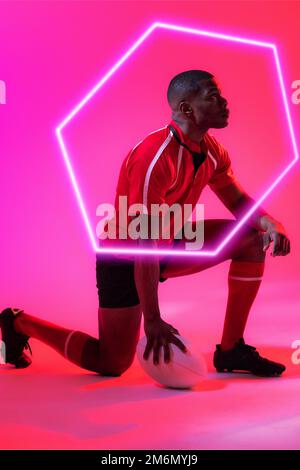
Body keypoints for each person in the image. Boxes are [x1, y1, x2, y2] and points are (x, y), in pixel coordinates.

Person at [0, 70, 290, 377]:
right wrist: (152, 319)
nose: (224, 102)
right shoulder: (155, 158)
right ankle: (18, 322)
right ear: (187, 109)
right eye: (213, 97)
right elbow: (144, 245)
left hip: (171, 241)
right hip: (127, 256)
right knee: (110, 363)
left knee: (252, 240)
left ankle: (232, 350)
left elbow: (236, 201)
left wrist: (269, 222)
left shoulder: (212, 150)